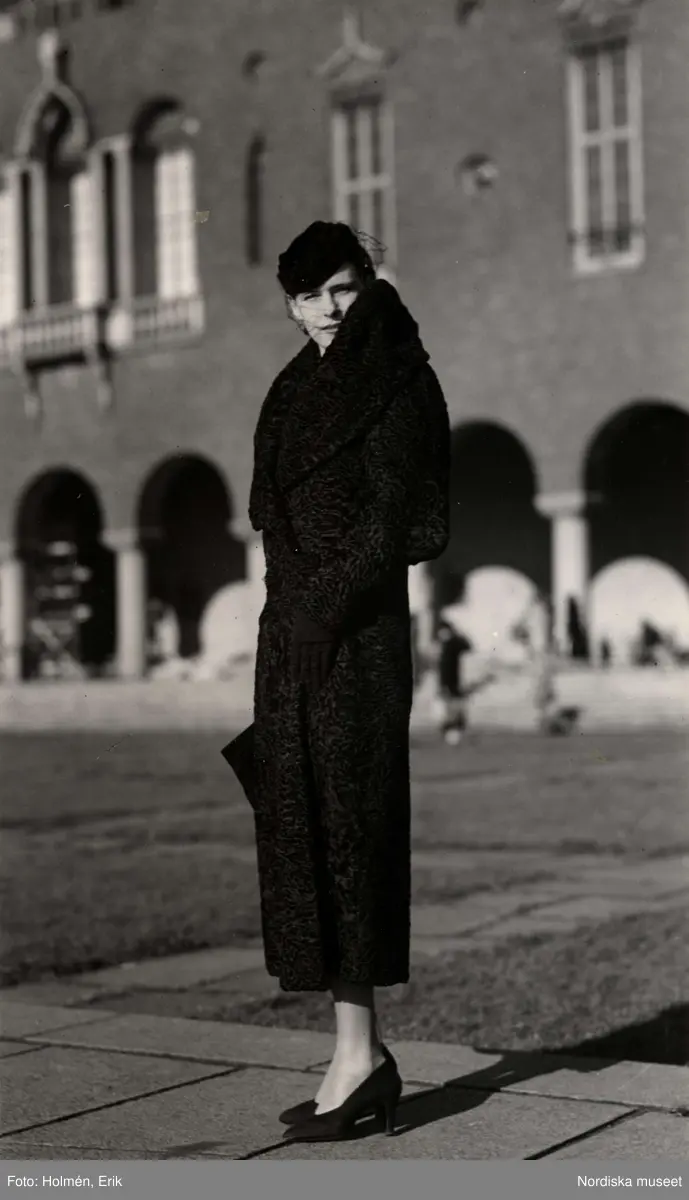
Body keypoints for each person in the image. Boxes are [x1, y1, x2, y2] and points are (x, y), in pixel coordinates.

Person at [222, 221, 450, 1141]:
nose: (327, 309)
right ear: (289, 303)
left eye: (343, 289)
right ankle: (358, 1053)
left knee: (352, 835)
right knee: (304, 836)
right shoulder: (289, 389)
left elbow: (402, 519)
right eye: (309, 295)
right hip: (291, 639)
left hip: (354, 640)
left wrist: (322, 609)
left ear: (368, 283)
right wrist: (291, 620)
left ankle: (359, 1059)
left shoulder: (400, 377)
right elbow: (269, 516)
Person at [436, 618, 472, 744]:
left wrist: (458, 633)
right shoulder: (443, 645)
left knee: (454, 709)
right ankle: (451, 732)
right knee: (448, 710)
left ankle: (454, 732)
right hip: (446, 683)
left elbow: (468, 646)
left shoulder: (453, 643)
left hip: (453, 683)